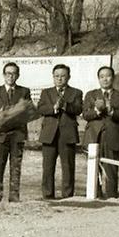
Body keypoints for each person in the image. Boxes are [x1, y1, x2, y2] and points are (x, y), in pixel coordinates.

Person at [83, 66, 119, 198]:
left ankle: (112, 195)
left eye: (108, 76)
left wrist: (112, 111)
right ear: (98, 79)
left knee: (111, 168)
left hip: (112, 135)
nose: (105, 79)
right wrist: (97, 111)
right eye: (102, 76)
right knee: (93, 168)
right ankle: (94, 194)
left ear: (113, 78)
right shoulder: (91, 95)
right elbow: (85, 115)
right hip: (93, 135)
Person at [0, 62, 32, 203]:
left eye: (13, 73)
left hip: (17, 134)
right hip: (1, 135)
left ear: (18, 75)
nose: (10, 76)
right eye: (8, 73)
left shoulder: (24, 91)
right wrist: (3, 114)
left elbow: (27, 110)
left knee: (15, 167)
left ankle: (14, 197)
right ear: (3, 75)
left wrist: (13, 114)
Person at [38, 64, 83, 199]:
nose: (59, 79)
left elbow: (78, 109)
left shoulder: (76, 92)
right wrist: (54, 108)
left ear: (68, 77)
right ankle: (47, 195)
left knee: (68, 166)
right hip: (49, 134)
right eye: (57, 76)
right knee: (47, 167)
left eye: (63, 76)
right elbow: (40, 109)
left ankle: (68, 195)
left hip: (67, 134)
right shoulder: (46, 92)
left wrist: (66, 106)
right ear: (53, 77)